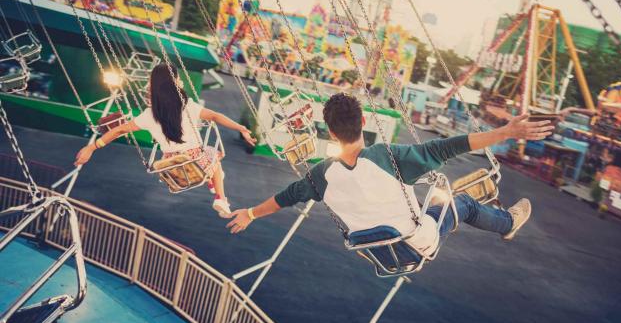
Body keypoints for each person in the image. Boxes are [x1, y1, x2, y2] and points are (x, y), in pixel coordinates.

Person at [226, 94, 554, 257]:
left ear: (329, 130)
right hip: (415, 244)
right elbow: (446, 148)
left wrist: (251, 213)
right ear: (364, 121)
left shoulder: (321, 175)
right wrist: (505, 132)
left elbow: (286, 197)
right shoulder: (387, 156)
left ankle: (500, 221)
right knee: (462, 203)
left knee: (436, 203)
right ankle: (508, 224)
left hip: (377, 250)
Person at [74, 63, 256, 217]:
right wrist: (240, 128)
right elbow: (216, 116)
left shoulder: (149, 114)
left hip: (170, 164)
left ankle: (211, 181)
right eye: (178, 79)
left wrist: (92, 147)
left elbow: (120, 129)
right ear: (175, 83)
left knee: (209, 162)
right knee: (213, 156)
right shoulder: (188, 105)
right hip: (193, 159)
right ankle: (221, 198)